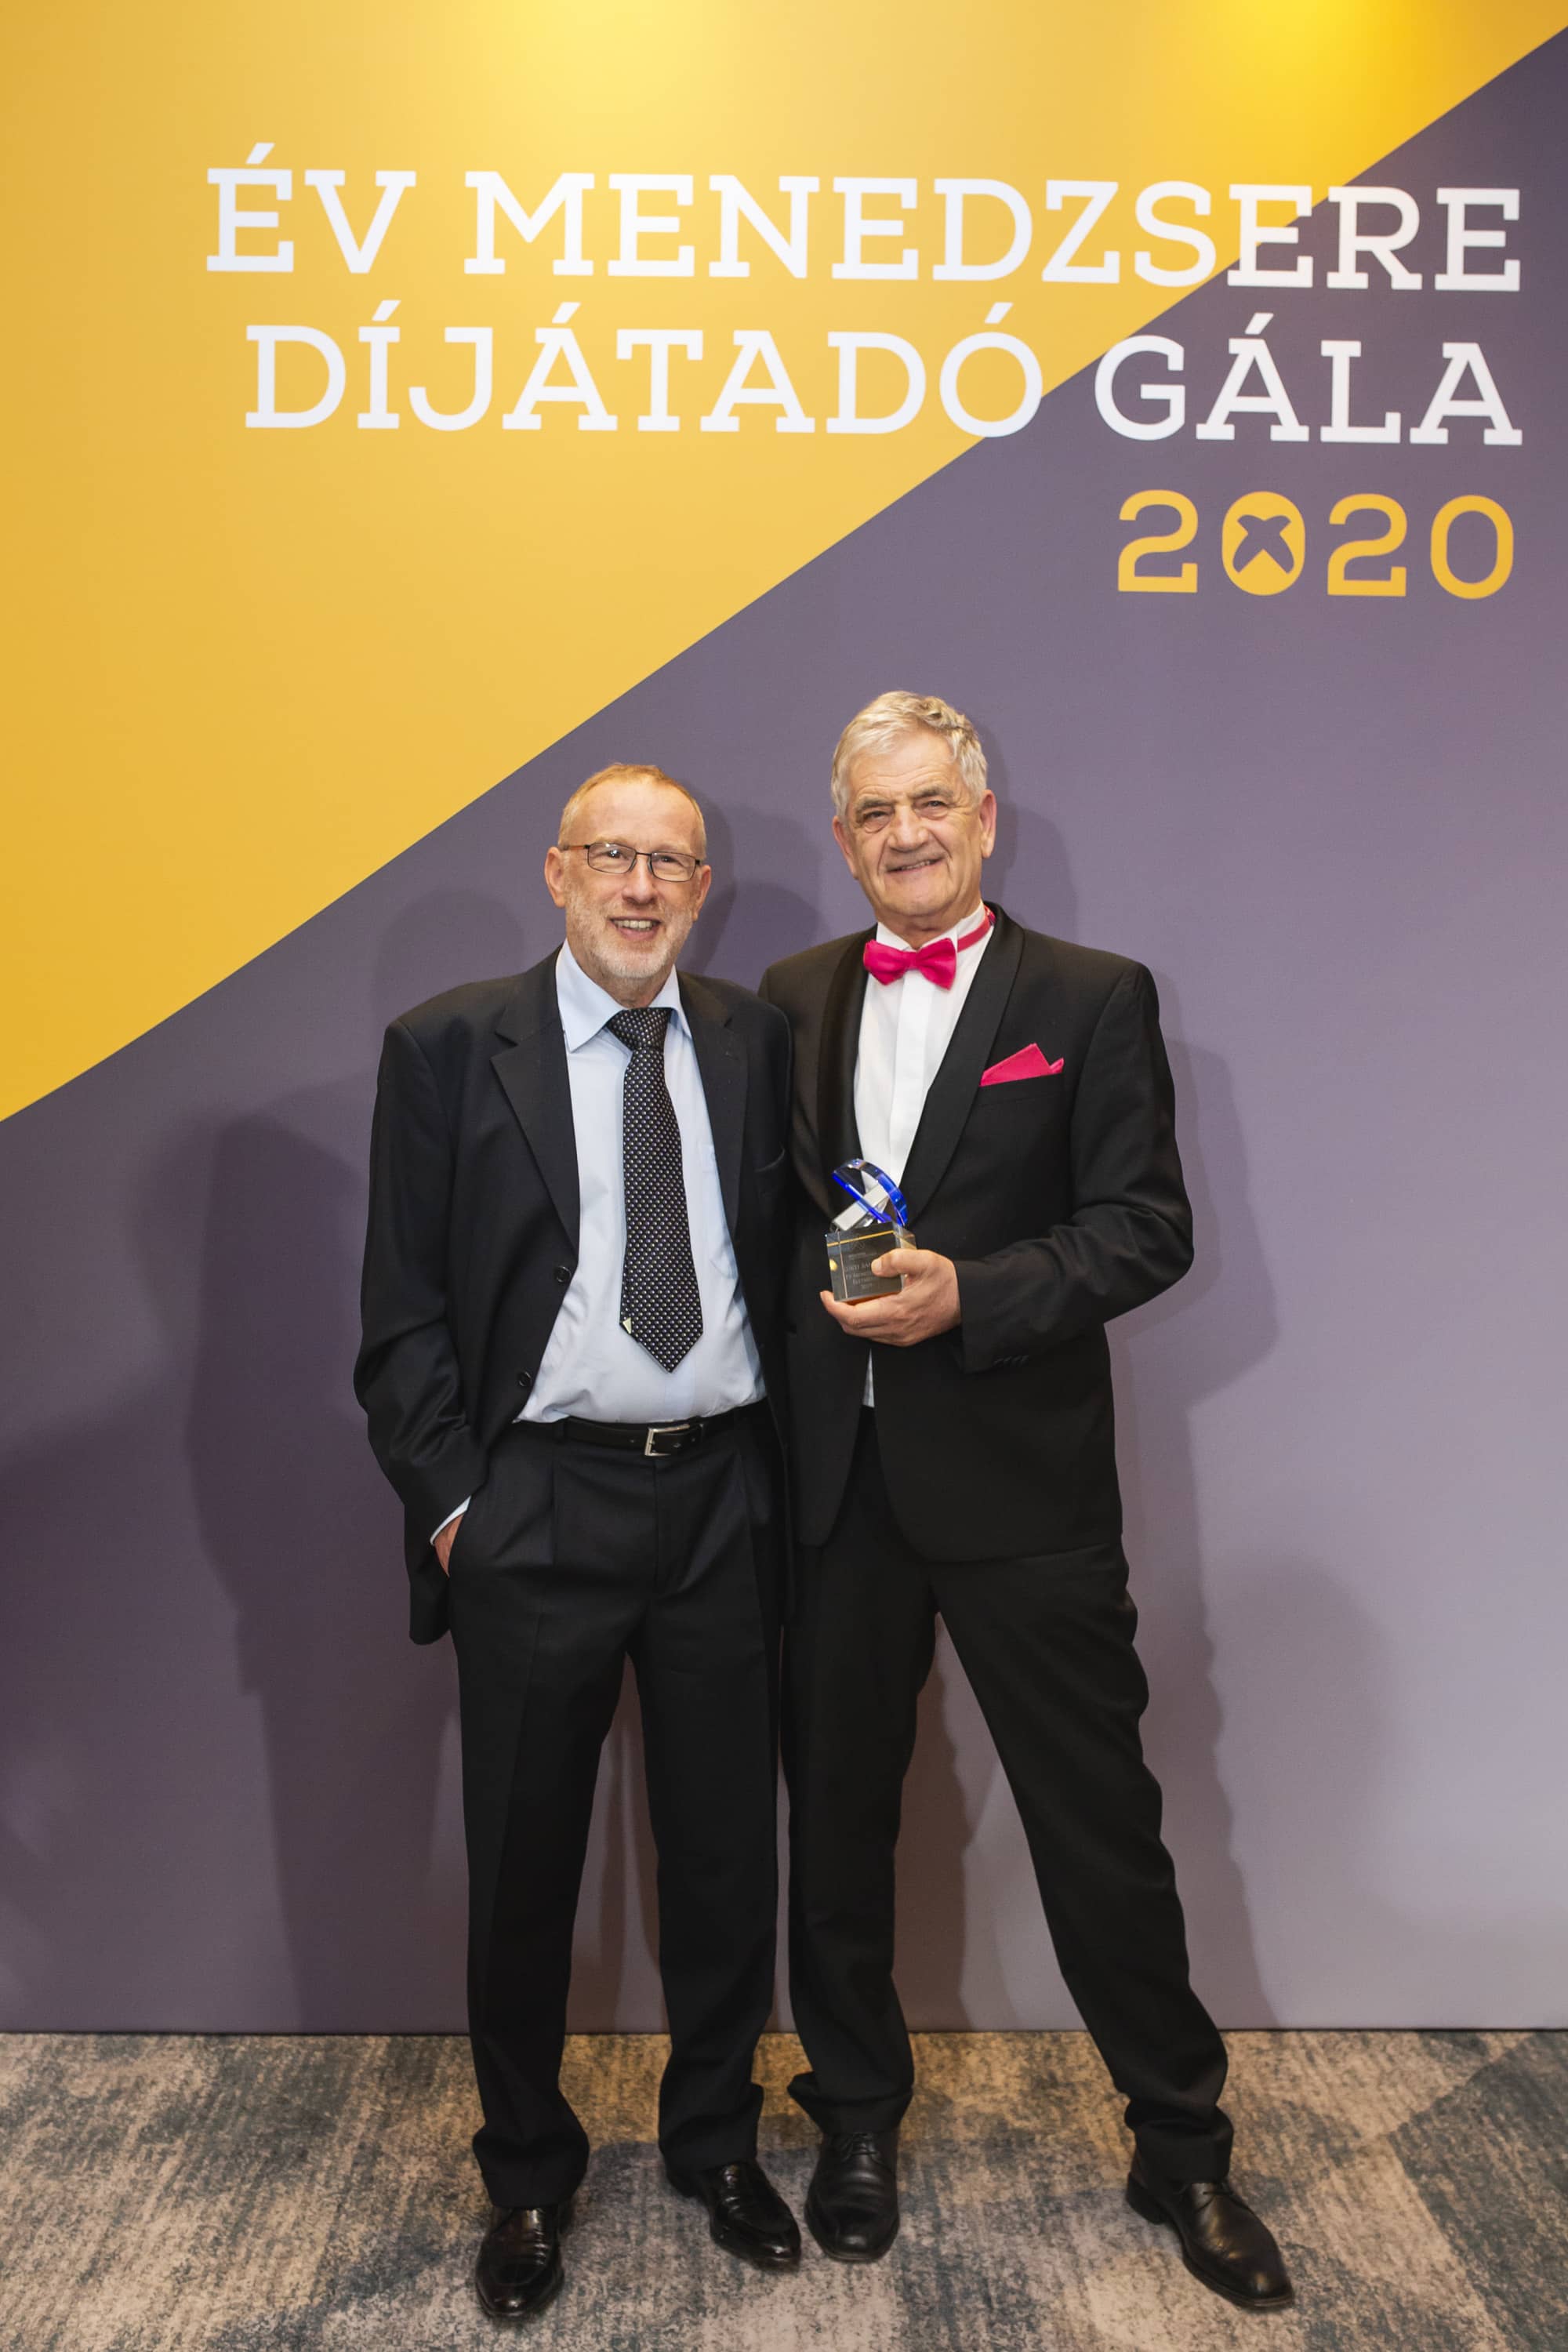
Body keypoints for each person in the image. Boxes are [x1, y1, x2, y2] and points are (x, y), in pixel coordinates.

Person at [760, 692, 1292, 2312]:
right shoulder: (791, 995)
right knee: (837, 1821)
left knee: (1097, 1826)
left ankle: (1181, 2146)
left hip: (1022, 1486)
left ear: (982, 817)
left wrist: (972, 1297)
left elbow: (1146, 1227)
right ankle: (856, 2116)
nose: (905, 834)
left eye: (930, 803)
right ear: (844, 837)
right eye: (874, 813)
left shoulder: (1091, 995)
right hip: (831, 1487)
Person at [355, 764, 799, 2321]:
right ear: (557, 873)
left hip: (723, 1496)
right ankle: (529, 2176)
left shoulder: (754, 1041)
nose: (639, 886)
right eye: (612, 855)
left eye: (670, 862)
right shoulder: (447, 1047)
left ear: (700, 888)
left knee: (725, 1855)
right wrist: (455, 1510)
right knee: (524, 1864)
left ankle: (715, 2143)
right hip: (536, 1506)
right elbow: (402, 1310)